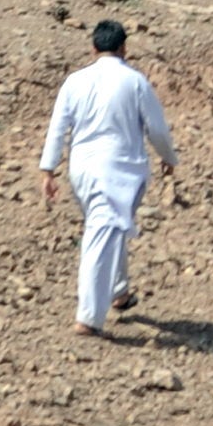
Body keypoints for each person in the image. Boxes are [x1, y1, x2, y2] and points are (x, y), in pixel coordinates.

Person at [35, 19, 174, 337]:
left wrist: (48, 169)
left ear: (93, 48)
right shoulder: (135, 81)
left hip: (82, 171)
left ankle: (119, 291)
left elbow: (58, 128)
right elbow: (157, 128)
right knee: (102, 236)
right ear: (124, 48)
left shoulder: (75, 81)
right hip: (120, 172)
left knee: (110, 227)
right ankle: (88, 317)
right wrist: (168, 157)